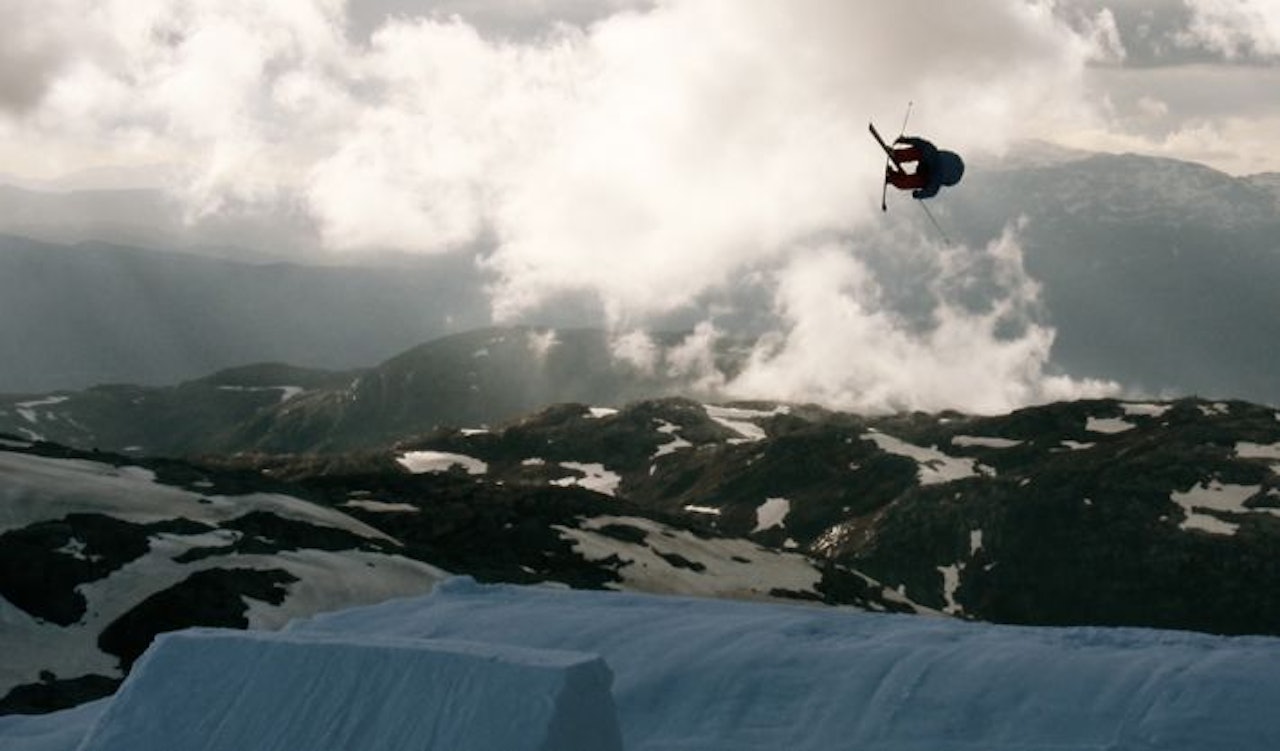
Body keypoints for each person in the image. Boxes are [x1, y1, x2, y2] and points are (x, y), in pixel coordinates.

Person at [885, 136, 965, 200]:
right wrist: (917, 194)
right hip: (941, 165)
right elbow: (929, 192)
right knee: (913, 181)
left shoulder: (933, 178)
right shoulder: (933, 180)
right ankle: (894, 174)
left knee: (918, 154)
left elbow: (920, 143)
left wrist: (904, 140)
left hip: (942, 163)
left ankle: (896, 158)